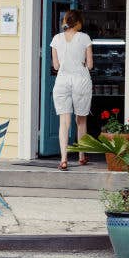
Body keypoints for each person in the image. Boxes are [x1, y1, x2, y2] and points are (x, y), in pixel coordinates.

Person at [50, 9, 93, 171]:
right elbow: (90, 65)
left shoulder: (56, 39)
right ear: (79, 22)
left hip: (62, 80)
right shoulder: (84, 38)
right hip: (80, 79)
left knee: (64, 121)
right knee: (81, 121)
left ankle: (63, 159)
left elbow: (56, 66)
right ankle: (82, 156)